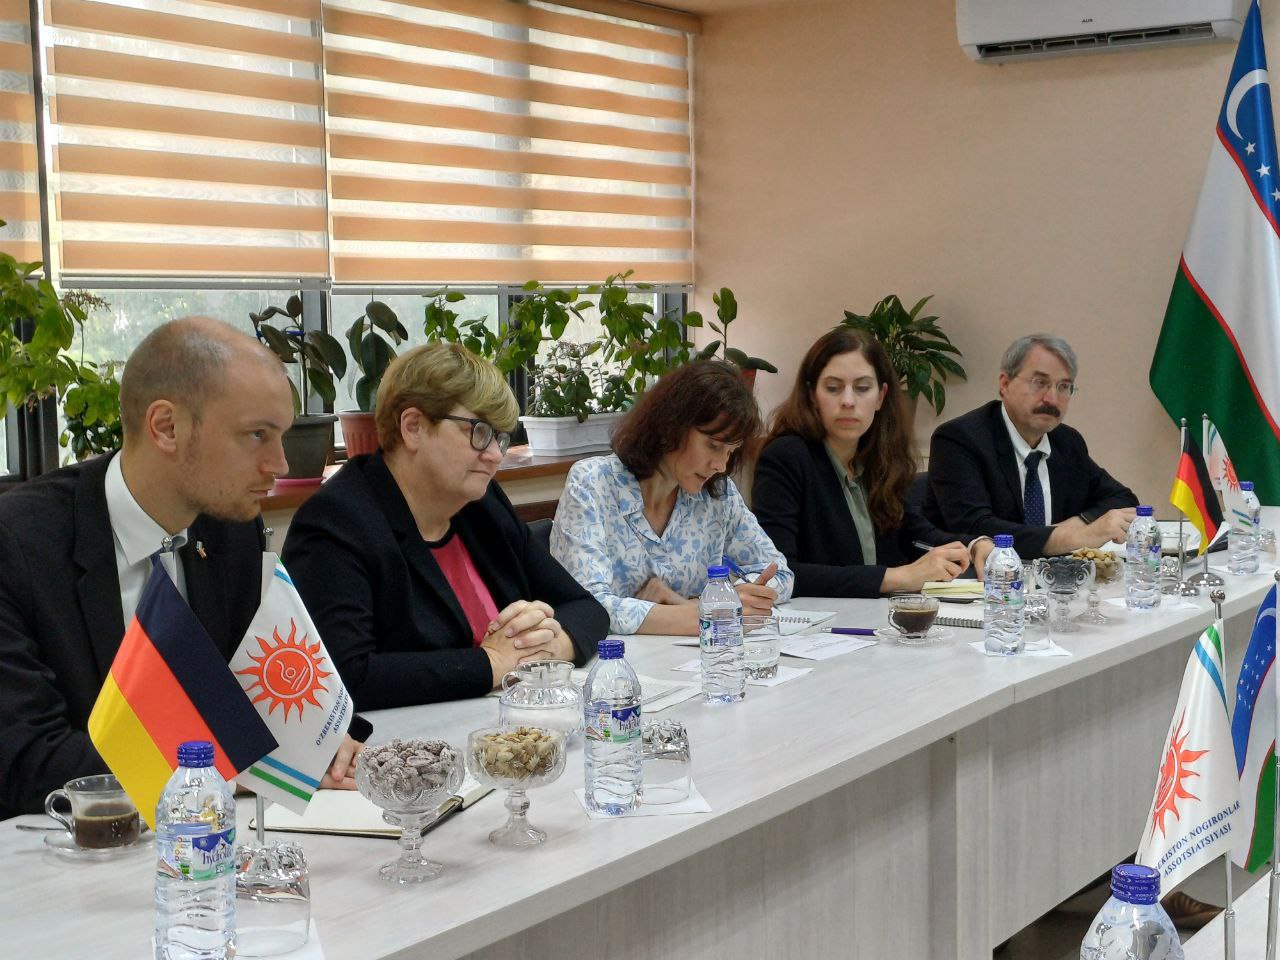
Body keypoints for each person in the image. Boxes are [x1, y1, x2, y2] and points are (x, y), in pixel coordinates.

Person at [0, 317, 368, 819]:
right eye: (256, 435)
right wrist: (224, 771)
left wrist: (315, 741)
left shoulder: (229, 525)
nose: (280, 464)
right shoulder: (18, 543)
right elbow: (27, 762)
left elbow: (249, 693)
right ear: (166, 428)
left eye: (280, 435)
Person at [282, 343, 608, 710]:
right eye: (479, 431)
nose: (495, 455)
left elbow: (586, 608)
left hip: (500, 724)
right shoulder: (336, 522)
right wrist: (492, 663)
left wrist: (546, 647)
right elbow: (346, 677)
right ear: (414, 427)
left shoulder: (482, 505)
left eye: (500, 438)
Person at [551, 359, 793, 635]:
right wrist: (707, 611)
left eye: (730, 451)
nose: (720, 465)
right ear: (671, 425)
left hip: (691, 656)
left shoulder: (717, 494)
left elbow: (780, 574)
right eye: (713, 446)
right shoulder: (592, 483)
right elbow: (587, 608)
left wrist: (709, 601)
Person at [752, 327, 991, 598]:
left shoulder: (877, 458)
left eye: (862, 388)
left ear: (880, 396)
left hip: (876, 615)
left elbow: (915, 534)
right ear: (812, 395)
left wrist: (974, 546)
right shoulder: (786, 456)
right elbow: (780, 572)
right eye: (833, 388)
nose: (848, 401)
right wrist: (897, 577)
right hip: (818, 620)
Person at [924, 334, 1138, 559]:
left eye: (1064, 386)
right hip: (976, 576)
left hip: (1052, 576)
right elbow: (976, 527)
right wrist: (1075, 537)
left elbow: (1122, 499)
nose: (1052, 399)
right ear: (1005, 384)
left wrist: (1077, 523)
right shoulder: (960, 439)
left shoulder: (1067, 441)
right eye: (1040, 383)